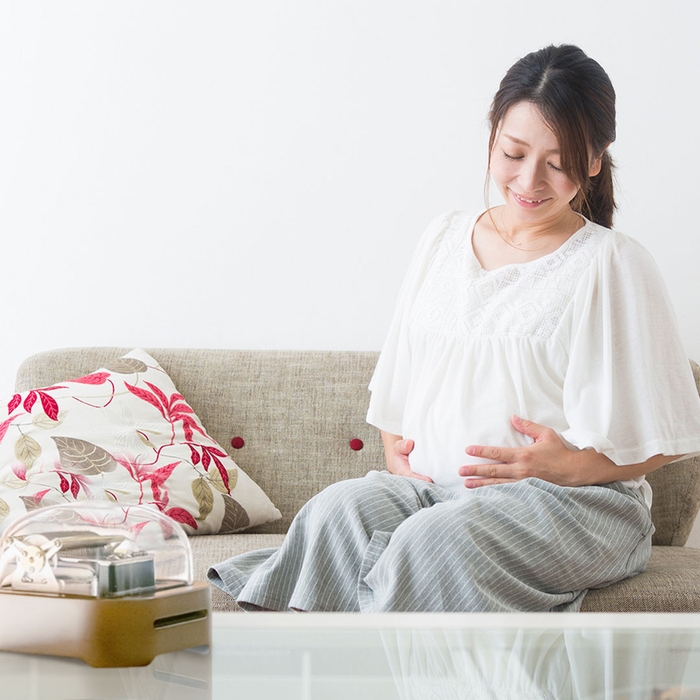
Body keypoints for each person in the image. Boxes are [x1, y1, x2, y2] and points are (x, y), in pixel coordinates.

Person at [209, 44, 700, 612]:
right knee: (333, 512)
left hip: (576, 503)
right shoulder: (443, 239)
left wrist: (573, 466)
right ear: (492, 136)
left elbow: (671, 435)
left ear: (594, 160)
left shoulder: (612, 262)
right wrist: (397, 452)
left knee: (431, 545)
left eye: (557, 162)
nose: (529, 180)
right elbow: (400, 384)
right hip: (435, 493)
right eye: (513, 153)